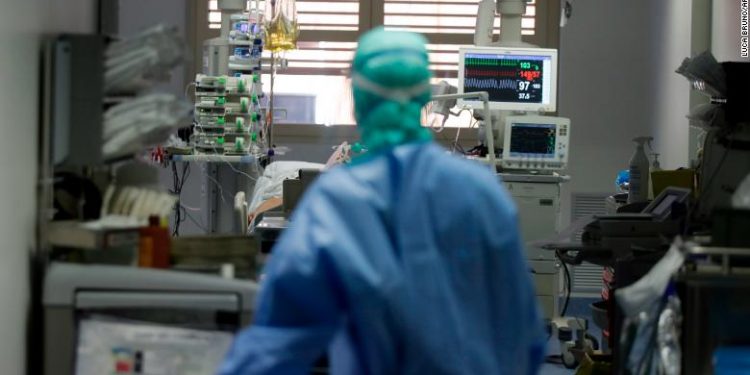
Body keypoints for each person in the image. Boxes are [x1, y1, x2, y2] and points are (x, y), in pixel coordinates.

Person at [219, 28, 545, 375]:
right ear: (424, 97)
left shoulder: (338, 202)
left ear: (359, 102)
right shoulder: (482, 193)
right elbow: (522, 335)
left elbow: (280, 342)